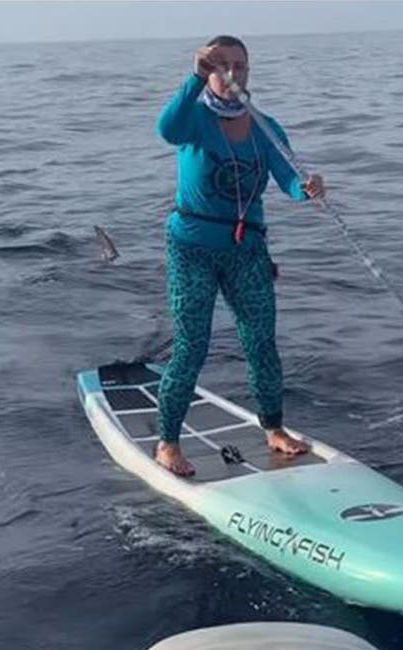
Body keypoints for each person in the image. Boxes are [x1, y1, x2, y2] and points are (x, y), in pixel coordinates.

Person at [153, 35, 325, 476]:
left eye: (240, 66)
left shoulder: (266, 127)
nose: (232, 72)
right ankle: (168, 443)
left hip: (247, 250)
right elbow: (165, 130)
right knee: (193, 346)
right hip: (191, 247)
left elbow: (287, 178)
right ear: (208, 70)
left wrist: (306, 190)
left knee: (261, 342)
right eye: (221, 64)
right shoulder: (193, 120)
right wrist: (193, 77)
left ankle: (274, 428)